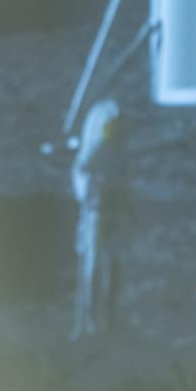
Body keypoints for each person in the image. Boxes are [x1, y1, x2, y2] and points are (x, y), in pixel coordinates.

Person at [70, 98, 128, 339]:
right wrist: (92, 191)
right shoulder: (95, 151)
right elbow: (82, 173)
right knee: (92, 265)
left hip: (112, 213)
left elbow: (123, 182)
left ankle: (109, 319)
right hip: (96, 213)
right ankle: (89, 320)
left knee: (112, 264)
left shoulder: (118, 152)